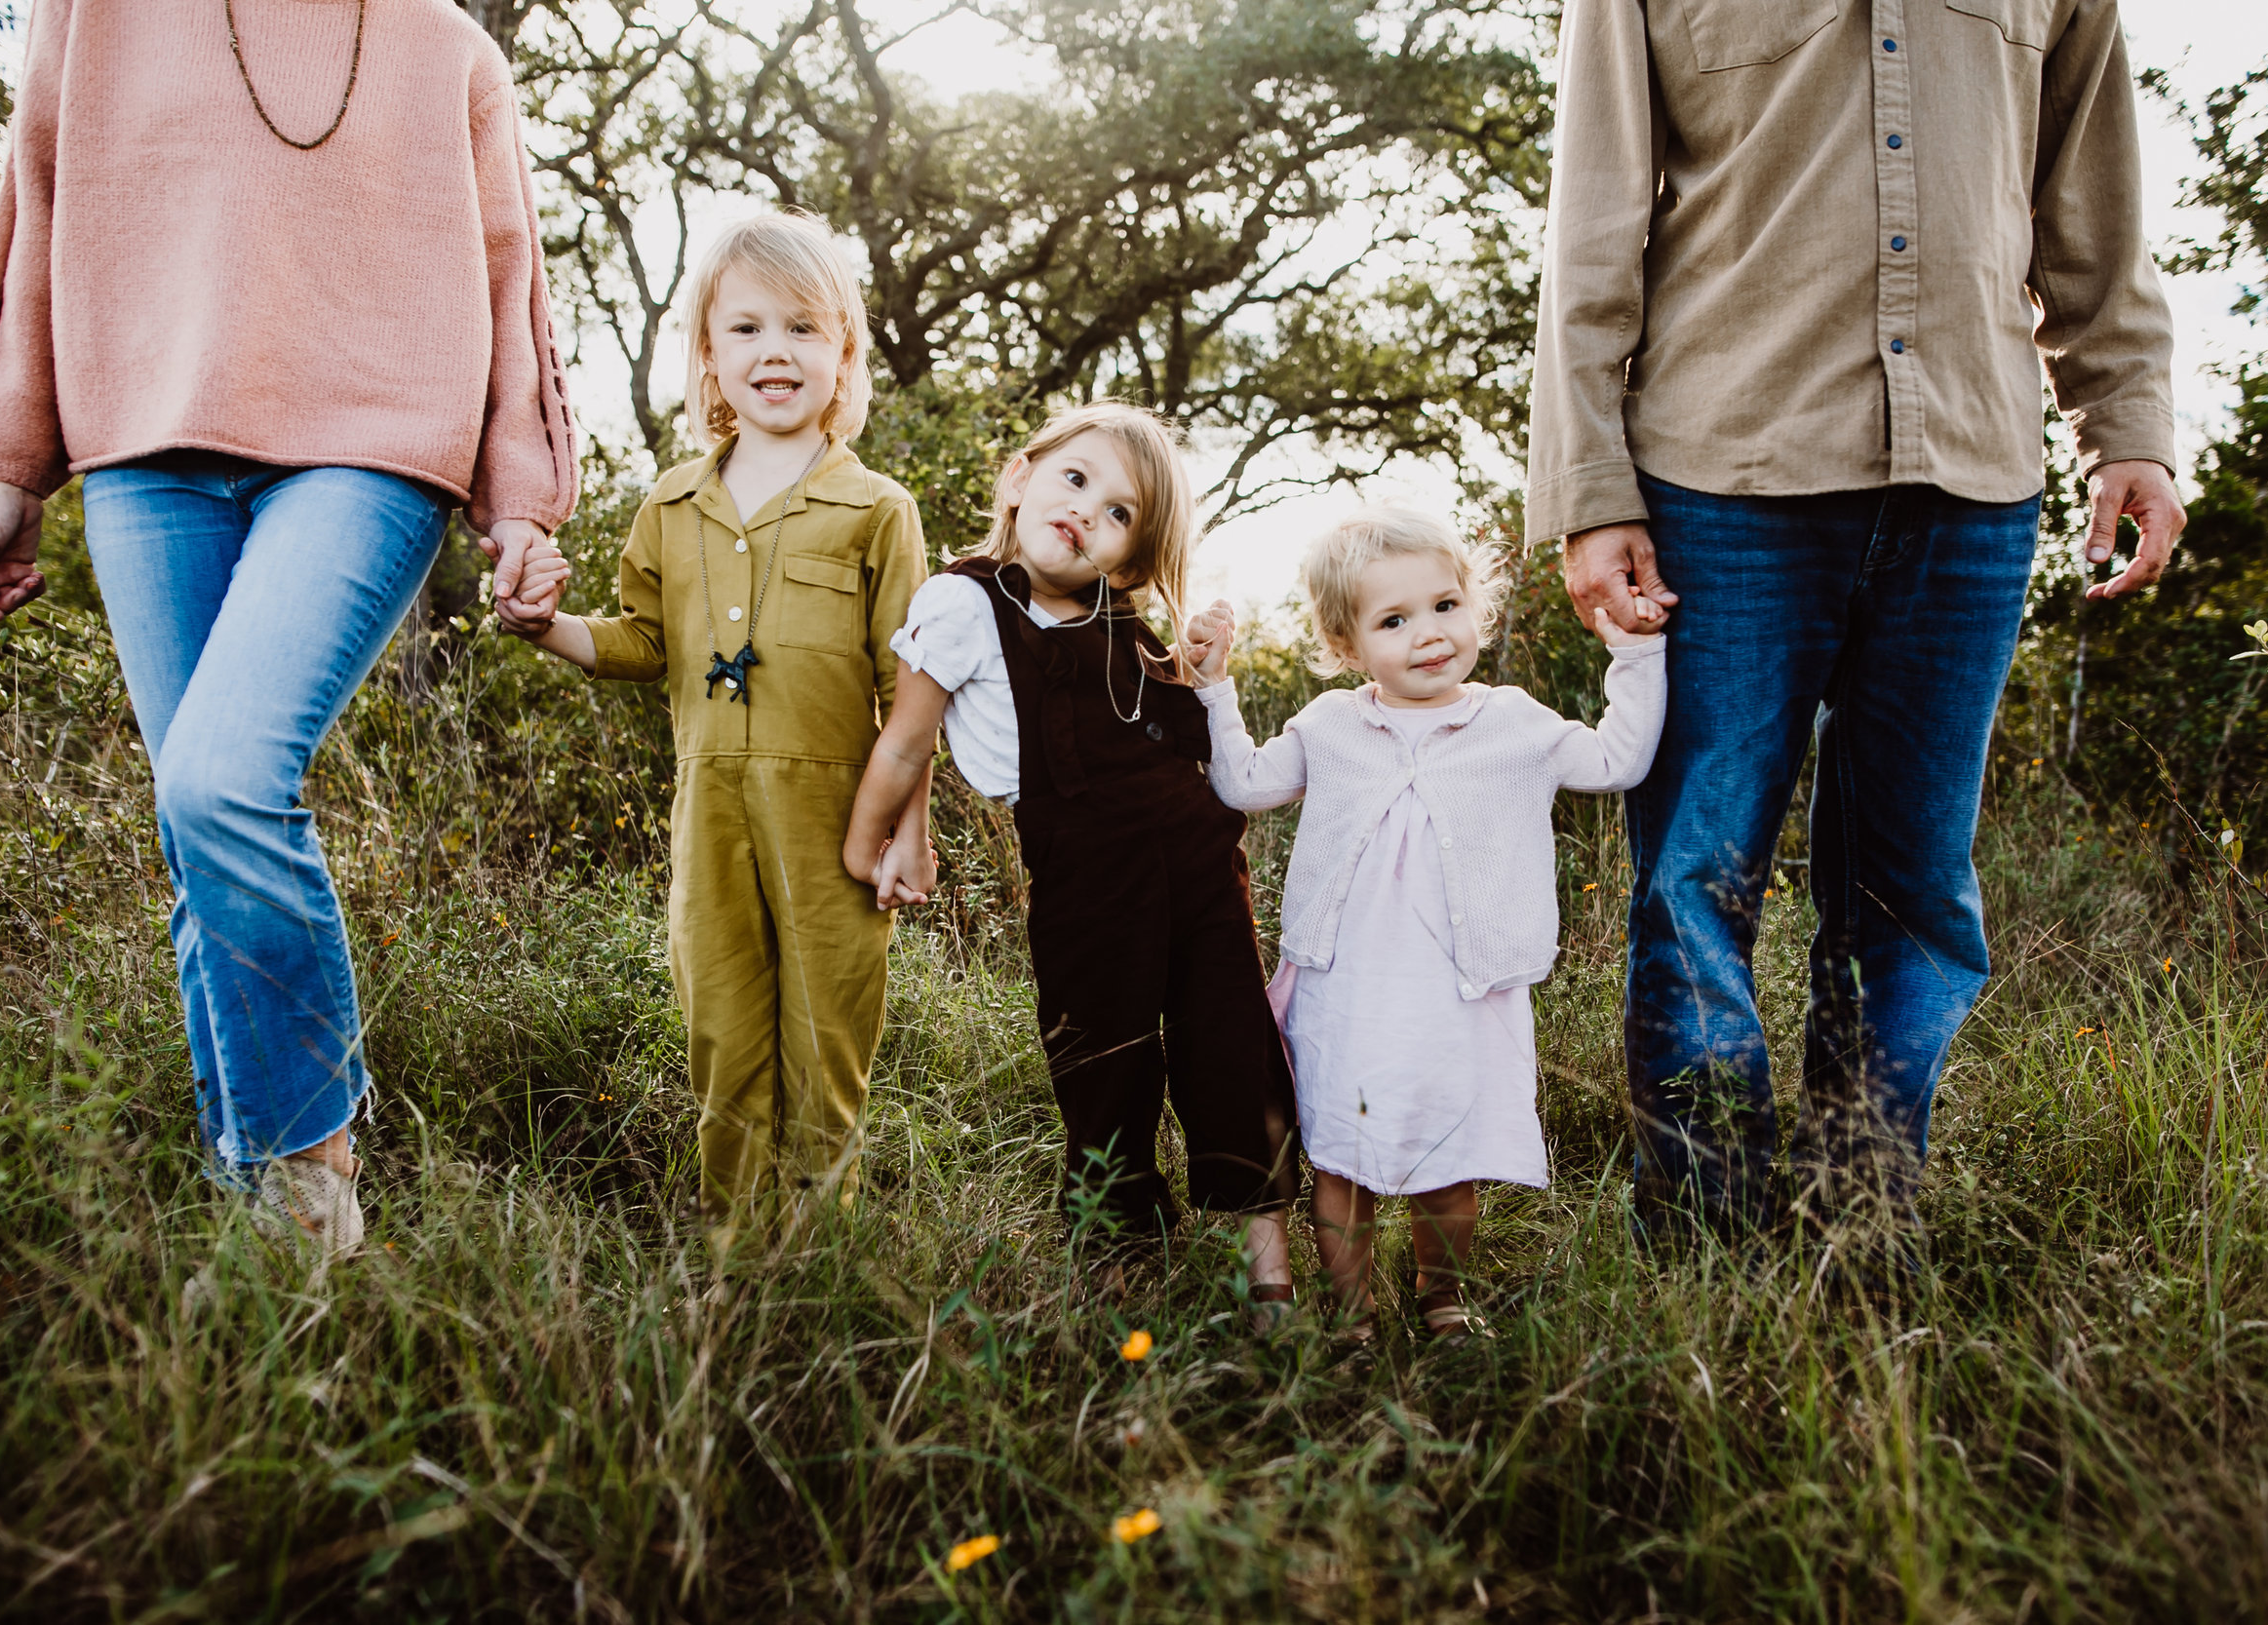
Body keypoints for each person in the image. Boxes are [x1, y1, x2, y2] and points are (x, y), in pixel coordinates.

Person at [1526, 0, 2187, 1251]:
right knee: (1693, 885)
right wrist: (1586, 488)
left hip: (1973, 480)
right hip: (1720, 477)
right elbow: (1591, 229)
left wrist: (2131, 426)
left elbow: (2092, 215)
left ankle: (1862, 1229)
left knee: (1914, 891)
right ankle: (1707, 1258)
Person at [0, 0, 577, 1251]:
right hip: (145, 447)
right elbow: (38, 215)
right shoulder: (96, 16)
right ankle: (252, 1212)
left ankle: (305, 1198)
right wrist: (9, 465)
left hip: (372, 450)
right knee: (195, 818)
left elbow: (510, 278)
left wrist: (520, 502)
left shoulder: (448, 46)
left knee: (227, 781)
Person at [510, 212, 927, 1233]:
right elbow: (643, 642)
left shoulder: (875, 508)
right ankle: (731, 1253)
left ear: (844, 355)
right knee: (724, 1030)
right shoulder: (671, 505)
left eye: (801, 328)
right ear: (706, 354)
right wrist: (542, 623)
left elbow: (910, 688)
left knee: (826, 1036)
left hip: (839, 812)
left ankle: (821, 1257)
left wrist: (905, 825)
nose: (772, 352)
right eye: (743, 329)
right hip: (710, 812)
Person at [841, 403, 1299, 1309]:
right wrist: (874, 841)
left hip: (1203, 868)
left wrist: (1203, 670)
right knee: (1104, 1063)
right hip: (1089, 881)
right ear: (1019, 481)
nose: (1089, 510)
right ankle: (1119, 1269)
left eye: (1120, 513)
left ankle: (1269, 1275)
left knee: (1232, 1048)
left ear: (1128, 558)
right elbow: (905, 742)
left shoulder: (1120, 619)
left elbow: (1190, 743)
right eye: (1076, 480)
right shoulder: (966, 602)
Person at [1186, 509, 1664, 1348]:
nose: (1430, 634)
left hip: (1461, 991)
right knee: (1345, 1161)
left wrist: (1636, 653)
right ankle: (1352, 1313)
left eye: (1446, 604)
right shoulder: (1331, 725)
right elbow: (1244, 786)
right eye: (1394, 620)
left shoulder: (1514, 722)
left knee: (1450, 1163)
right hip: (1347, 989)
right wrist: (1215, 688)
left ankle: (1440, 1295)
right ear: (1346, 644)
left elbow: (1615, 761)